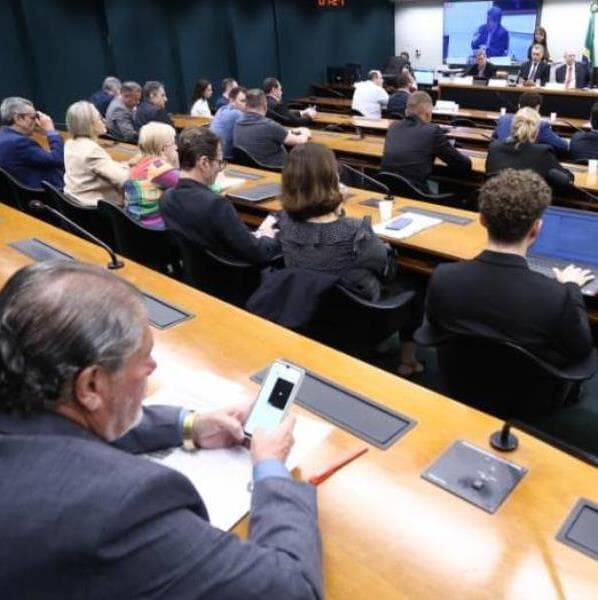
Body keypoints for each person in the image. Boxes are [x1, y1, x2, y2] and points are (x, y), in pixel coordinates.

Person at [0, 260, 322, 599]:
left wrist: (189, 426)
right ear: (91, 385)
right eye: (143, 357)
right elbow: (292, 589)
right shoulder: (123, 507)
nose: (153, 367)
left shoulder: (17, 385)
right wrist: (271, 468)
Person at [277, 142, 424, 376]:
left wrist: (335, 205)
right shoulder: (355, 232)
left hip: (308, 306)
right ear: (332, 179)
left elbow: (321, 227)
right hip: (363, 311)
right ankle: (408, 360)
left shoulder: (284, 221)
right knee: (414, 281)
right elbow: (387, 269)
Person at [425, 169, 593, 367]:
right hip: (530, 385)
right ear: (536, 229)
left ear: (482, 220)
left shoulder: (442, 277)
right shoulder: (557, 296)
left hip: (456, 378)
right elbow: (580, 350)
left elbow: (435, 326)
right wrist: (572, 287)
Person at [162, 127, 280, 264]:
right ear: (204, 163)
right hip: (237, 274)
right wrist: (267, 235)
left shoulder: (167, 198)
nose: (220, 169)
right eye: (219, 162)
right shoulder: (216, 205)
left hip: (197, 271)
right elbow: (258, 253)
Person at [381, 91, 471, 193]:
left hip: (386, 189)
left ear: (406, 112)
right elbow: (462, 164)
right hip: (417, 194)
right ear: (428, 114)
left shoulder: (393, 127)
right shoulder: (432, 131)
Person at [64, 100, 129, 206]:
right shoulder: (92, 150)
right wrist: (138, 168)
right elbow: (124, 180)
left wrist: (123, 165)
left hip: (77, 201)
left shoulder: (70, 143)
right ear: (89, 124)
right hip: (97, 208)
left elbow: (100, 167)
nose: (103, 120)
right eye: (99, 117)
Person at [486, 107, 572, 182]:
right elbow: (566, 178)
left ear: (512, 127)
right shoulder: (542, 152)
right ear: (536, 131)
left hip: (499, 195)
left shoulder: (494, 148)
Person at [233, 89, 310, 169]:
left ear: (246, 105)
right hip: (278, 168)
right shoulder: (269, 125)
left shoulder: (238, 123)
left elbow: (271, 133)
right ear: (265, 105)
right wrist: (305, 132)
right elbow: (299, 141)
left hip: (252, 168)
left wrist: (289, 131)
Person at [0, 96, 64, 189]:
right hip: (47, 194)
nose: (37, 122)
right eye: (33, 117)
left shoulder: (4, 138)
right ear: (18, 118)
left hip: (22, 194)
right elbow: (57, 159)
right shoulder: (19, 143)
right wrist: (51, 131)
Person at [124, 122, 179, 228]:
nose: (176, 147)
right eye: (173, 143)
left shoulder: (138, 161)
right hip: (156, 228)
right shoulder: (159, 169)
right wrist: (175, 160)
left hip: (135, 224)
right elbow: (191, 185)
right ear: (163, 148)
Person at [492, 92, 568, 155]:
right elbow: (562, 146)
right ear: (538, 107)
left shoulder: (504, 119)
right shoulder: (540, 125)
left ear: (519, 105)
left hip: (501, 159)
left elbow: (494, 137)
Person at [209, 86, 247, 159]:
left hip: (213, 154)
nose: (246, 104)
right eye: (242, 101)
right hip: (226, 158)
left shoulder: (222, 109)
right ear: (232, 101)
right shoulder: (237, 114)